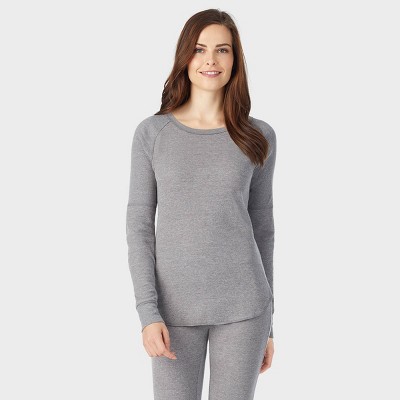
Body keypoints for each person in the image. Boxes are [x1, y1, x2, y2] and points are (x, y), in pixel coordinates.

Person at [126, 8, 277, 400]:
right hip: (172, 312)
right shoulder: (153, 133)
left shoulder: (258, 136)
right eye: (199, 49)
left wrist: (269, 325)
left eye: (222, 49)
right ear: (185, 57)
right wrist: (148, 312)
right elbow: (139, 227)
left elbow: (263, 229)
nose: (211, 60)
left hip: (245, 309)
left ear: (234, 59)